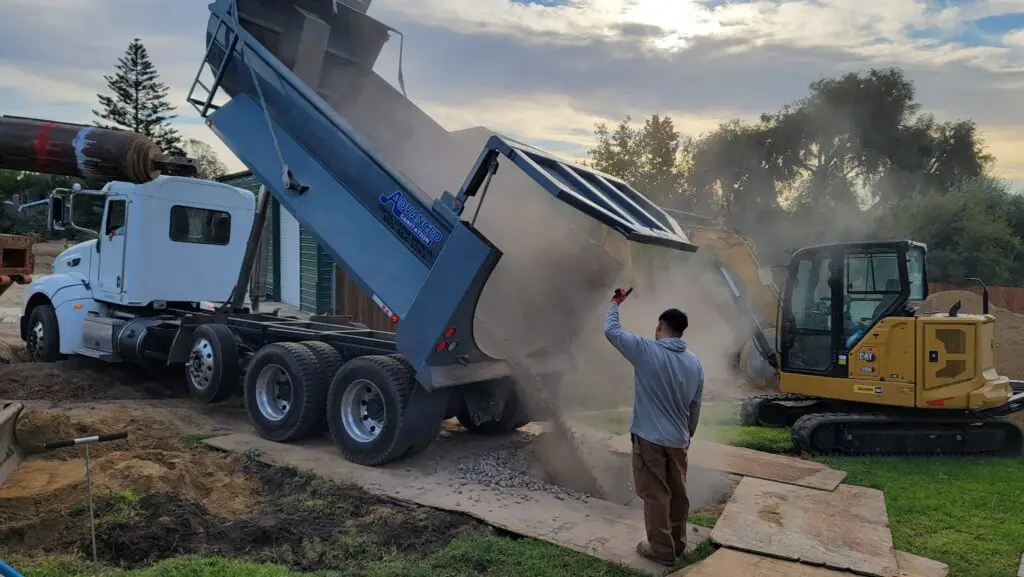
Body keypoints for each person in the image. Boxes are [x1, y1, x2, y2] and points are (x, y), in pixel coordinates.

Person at [603, 287, 705, 566]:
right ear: (681, 332)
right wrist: (688, 436)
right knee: (678, 493)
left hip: (649, 439)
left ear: (659, 325)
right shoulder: (694, 363)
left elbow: (611, 330)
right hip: (678, 441)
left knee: (656, 494)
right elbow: (695, 407)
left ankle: (661, 550)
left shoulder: (646, 350)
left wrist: (616, 302)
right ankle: (678, 543)